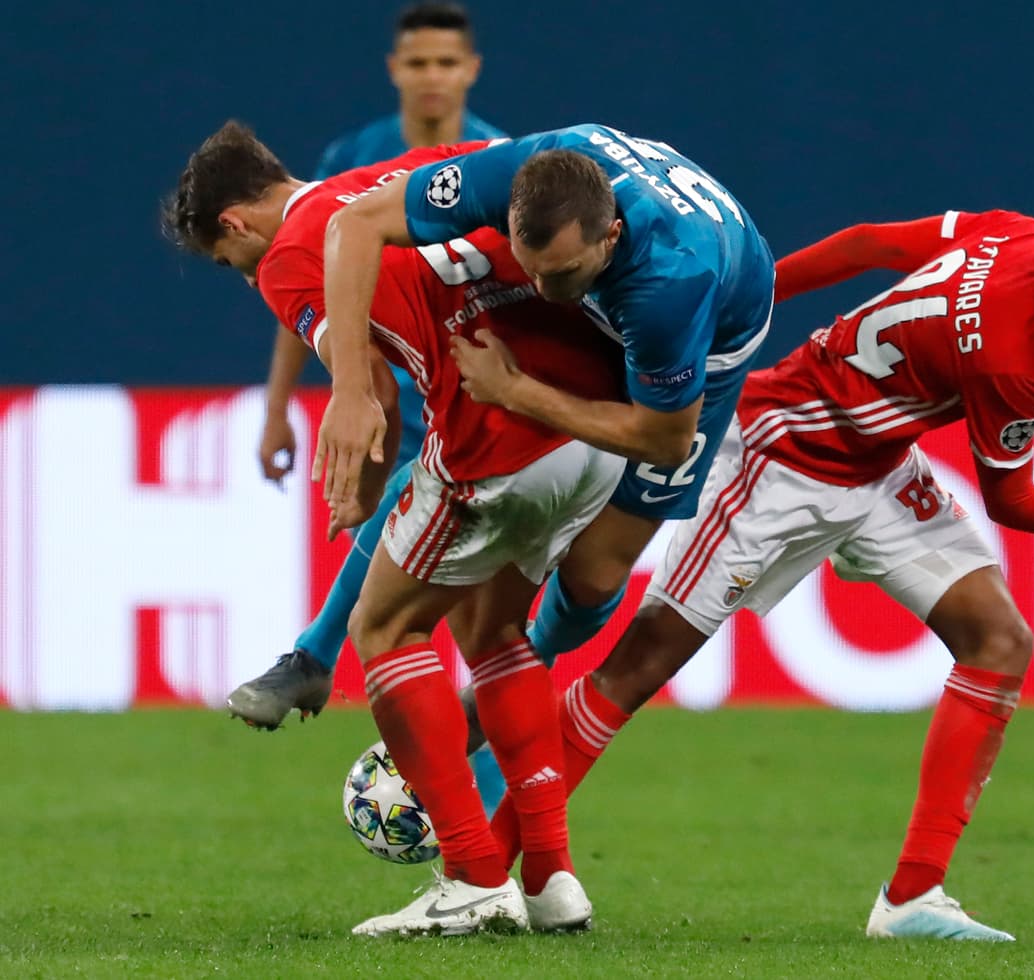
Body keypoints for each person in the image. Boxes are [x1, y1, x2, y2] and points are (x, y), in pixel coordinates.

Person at [481, 164, 1034, 940]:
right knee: (635, 670)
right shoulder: (1014, 357)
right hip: (779, 454)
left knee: (998, 641)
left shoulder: (1015, 235)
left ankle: (913, 898)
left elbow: (864, 244)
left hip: (877, 463)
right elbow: (1014, 500)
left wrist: (755, 302)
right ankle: (486, 869)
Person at [164, 122, 629, 935]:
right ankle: (552, 876)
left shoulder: (287, 257)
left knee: (382, 630)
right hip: (595, 429)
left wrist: (363, 490)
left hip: (501, 435)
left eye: (223, 260)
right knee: (494, 637)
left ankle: (474, 874)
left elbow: (368, 390)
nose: (239, 276)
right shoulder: (398, 174)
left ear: (234, 223)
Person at [311, 123, 775, 668]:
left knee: (594, 575)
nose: (540, 291)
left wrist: (516, 391)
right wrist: (350, 389)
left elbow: (665, 441)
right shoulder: (520, 173)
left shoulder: (669, 288)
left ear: (610, 236)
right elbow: (354, 223)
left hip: (717, 332)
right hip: (623, 282)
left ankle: (511, 691)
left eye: (560, 274)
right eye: (527, 267)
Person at [228, 1, 507, 811]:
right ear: (395, 70)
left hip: (462, 396)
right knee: (444, 620)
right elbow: (303, 296)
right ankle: (486, 830)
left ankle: (315, 657)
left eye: (445, 64)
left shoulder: (491, 152)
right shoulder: (354, 157)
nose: (431, 78)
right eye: (417, 63)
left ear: (469, 71)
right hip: (390, 399)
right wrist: (281, 408)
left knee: (464, 620)